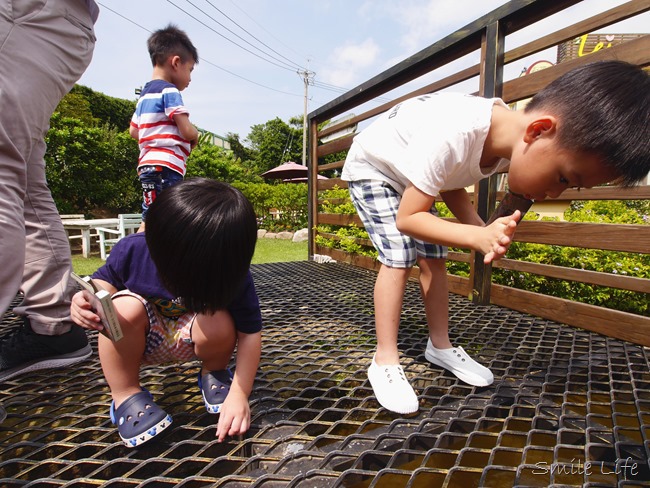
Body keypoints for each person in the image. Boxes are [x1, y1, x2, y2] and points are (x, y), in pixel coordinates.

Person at [341, 60, 650, 414]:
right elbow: (409, 218)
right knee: (399, 254)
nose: (553, 193)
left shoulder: (507, 142)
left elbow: (451, 179)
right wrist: (477, 237)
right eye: (564, 178)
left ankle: (439, 346)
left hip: (414, 172)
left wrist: (480, 231)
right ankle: (384, 359)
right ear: (538, 131)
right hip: (376, 167)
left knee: (435, 256)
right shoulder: (456, 131)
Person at [70, 178, 262, 447]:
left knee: (220, 317)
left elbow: (250, 333)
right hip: (141, 339)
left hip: (193, 334)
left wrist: (240, 393)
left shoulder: (234, 275)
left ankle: (215, 374)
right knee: (123, 306)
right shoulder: (134, 249)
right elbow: (103, 284)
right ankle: (125, 394)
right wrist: (85, 299)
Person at [0, 0, 99, 382]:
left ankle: (53, 323)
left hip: (31, 12)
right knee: (22, 179)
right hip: (59, 21)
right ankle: (53, 325)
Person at [130, 24, 200, 231]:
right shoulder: (170, 92)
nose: (190, 78)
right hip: (167, 166)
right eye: (190, 70)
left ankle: (139, 254)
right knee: (172, 218)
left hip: (147, 167)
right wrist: (195, 134)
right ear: (176, 62)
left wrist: (153, 139)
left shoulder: (144, 95)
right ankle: (168, 260)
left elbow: (134, 131)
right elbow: (186, 129)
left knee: (149, 214)